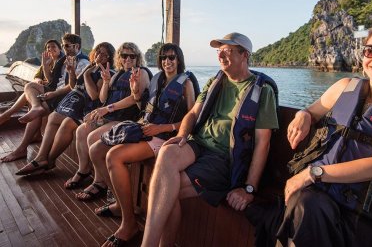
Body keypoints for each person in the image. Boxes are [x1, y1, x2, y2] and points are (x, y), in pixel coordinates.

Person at [277, 24, 372, 247]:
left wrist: (311, 173)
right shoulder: (344, 86)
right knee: (304, 204)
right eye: (371, 50)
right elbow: (312, 111)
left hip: (361, 216)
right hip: (316, 197)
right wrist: (303, 115)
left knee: (304, 205)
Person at [141, 32, 278, 247]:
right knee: (167, 153)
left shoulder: (262, 92)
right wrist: (182, 135)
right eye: (219, 51)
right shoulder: (216, 81)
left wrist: (249, 188)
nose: (221, 56)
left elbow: (263, 144)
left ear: (245, 55)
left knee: (166, 191)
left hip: (222, 157)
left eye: (227, 51)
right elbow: (193, 114)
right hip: (197, 144)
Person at [88, 43, 197, 246]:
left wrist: (162, 128)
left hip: (162, 136)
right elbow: (141, 103)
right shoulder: (157, 79)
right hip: (143, 128)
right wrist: (135, 90)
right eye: (164, 58)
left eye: (172, 57)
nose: (168, 62)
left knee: (114, 156)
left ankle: (129, 224)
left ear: (179, 60)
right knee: (96, 150)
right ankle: (122, 205)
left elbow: (192, 119)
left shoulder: (186, 84)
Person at [65, 42, 151, 201]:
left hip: (126, 119)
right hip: (111, 116)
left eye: (132, 56)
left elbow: (134, 98)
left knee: (93, 137)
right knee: (82, 130)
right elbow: (103, 98)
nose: (128, 59)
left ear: (137, 58)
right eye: (124, 56)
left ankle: (100, 182)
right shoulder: (117, 74)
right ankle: (83, 170)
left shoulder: (142, 73)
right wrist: (105, 82)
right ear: (119, 57)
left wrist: (107, 109)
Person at [15, 42, 116, 175]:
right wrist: (72, 72)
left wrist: (86, 75)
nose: (100, 55)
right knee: (53, 116)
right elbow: (74, 86)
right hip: (77, 103)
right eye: (98, 52)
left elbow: (94, 96)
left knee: (66, 124)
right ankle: (41, 157)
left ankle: (49, 160)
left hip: (89, 108)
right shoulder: (91, 67)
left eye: (104, 53)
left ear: (110, 57)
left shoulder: (105, 72)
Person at [0, 39, 63, 162]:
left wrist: (45, 67)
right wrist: (39, 78)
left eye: (53, 46)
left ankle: (7, 115)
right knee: (30, 95)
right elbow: (37, 77)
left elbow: (52, 83)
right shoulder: (48, 61)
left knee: (29, 89)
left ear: (60, 49)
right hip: (46, 91)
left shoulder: (62, 62)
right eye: (48, 47)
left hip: (55, 94)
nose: (50, 49)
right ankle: (33, 135)